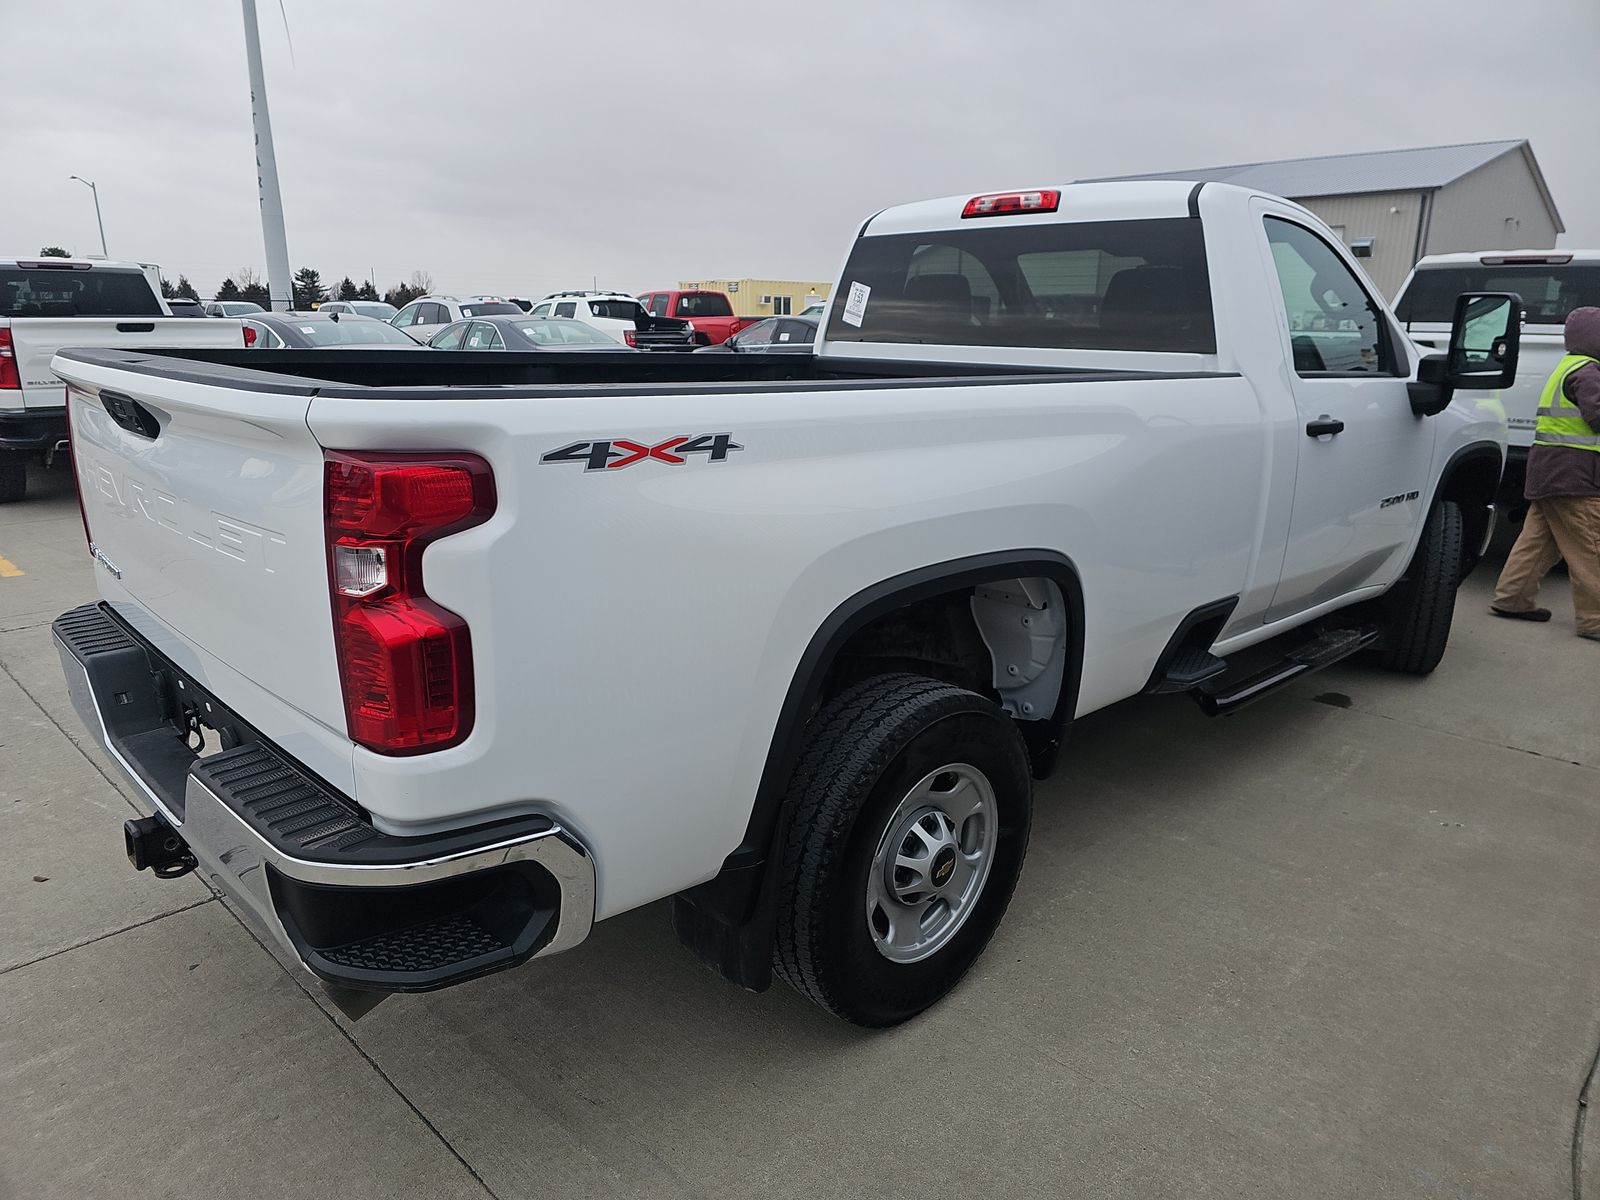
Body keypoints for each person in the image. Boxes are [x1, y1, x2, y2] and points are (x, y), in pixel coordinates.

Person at [1490, 306, 1600, 640]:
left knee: (1538, 541)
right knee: (1590, 548)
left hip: (1548, 472)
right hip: (1576, 477)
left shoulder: (1567, 365)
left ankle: (1512, 598)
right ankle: (1594, 620)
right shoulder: (1590, 372)